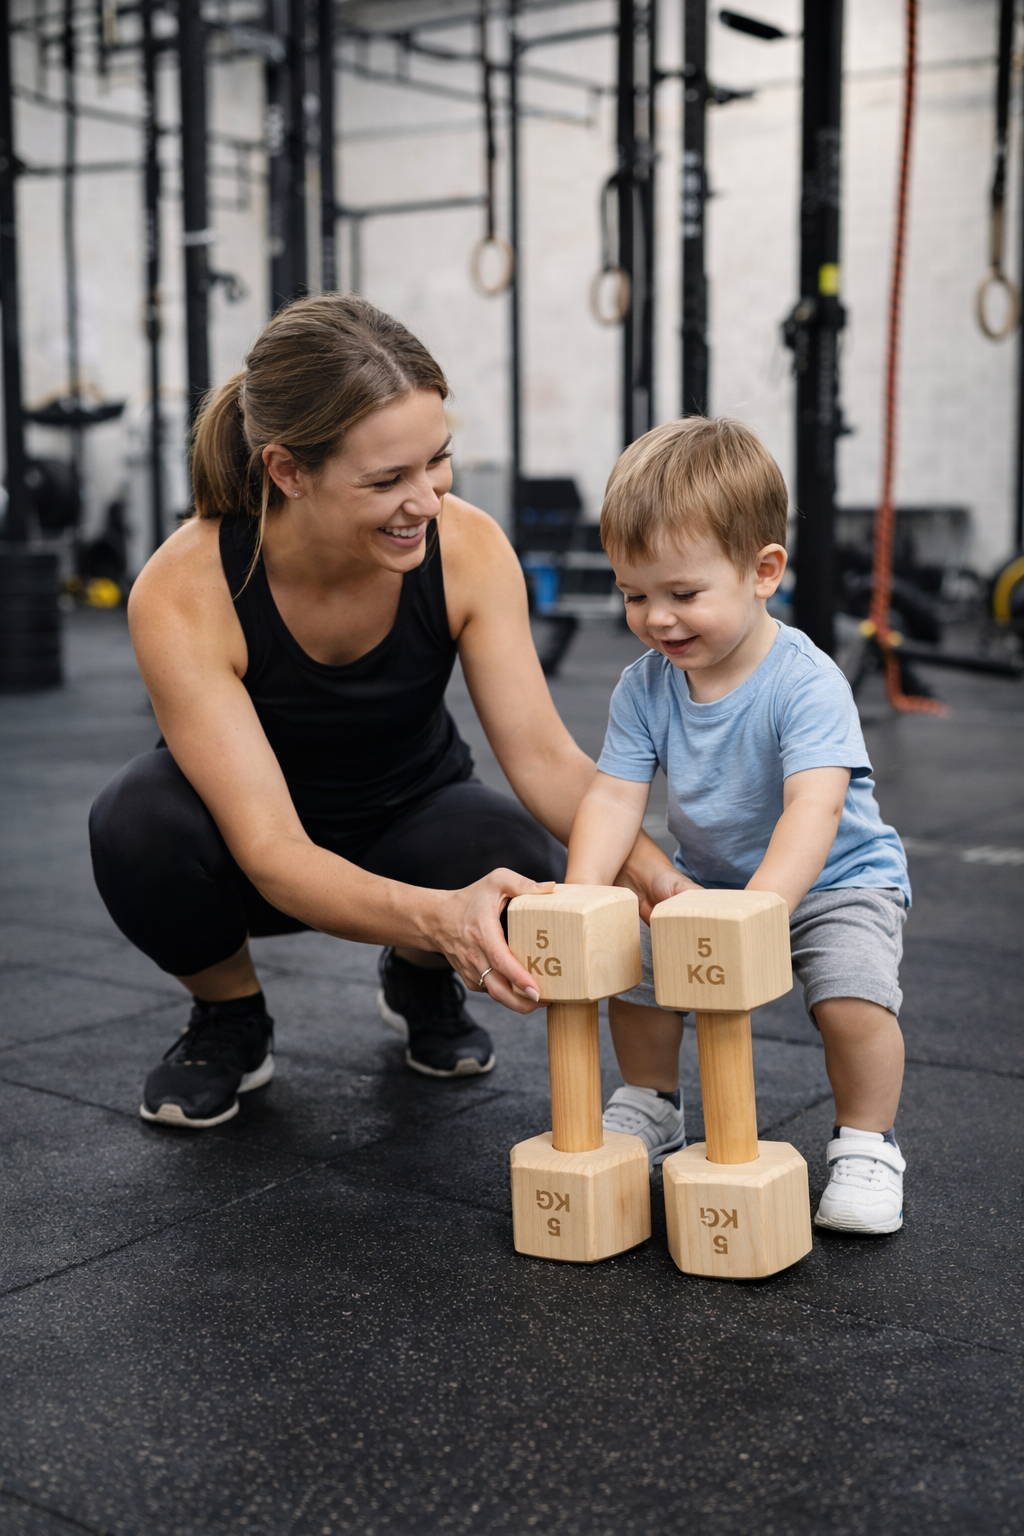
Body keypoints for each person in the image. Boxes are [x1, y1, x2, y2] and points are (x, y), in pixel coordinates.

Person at [89, 295, 668, 1129]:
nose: (426, 500)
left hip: (412, 818)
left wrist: (653, 875)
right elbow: (274, 850)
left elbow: (545, 759)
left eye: (438, 461)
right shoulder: (185, 588)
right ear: (289, 471)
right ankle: (229, 1015)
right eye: (387, 480)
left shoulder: (467, 546)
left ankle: (418, 976)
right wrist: (445, 919)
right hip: (245, 855)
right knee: (133, 823)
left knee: (521, 858)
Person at [565, 417, 911, 1235]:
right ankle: (652, 1102)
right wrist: (582, 895)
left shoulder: (806, 682)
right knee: (633, 964)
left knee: (852, 996)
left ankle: (867, 1142)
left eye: (683, 595)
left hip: (836, 883)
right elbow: (613, 798)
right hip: (709, 883)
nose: (657, 618)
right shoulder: (645, 686)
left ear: (763, 573)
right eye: (635, 595)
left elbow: (815, 806)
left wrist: (762, 908)